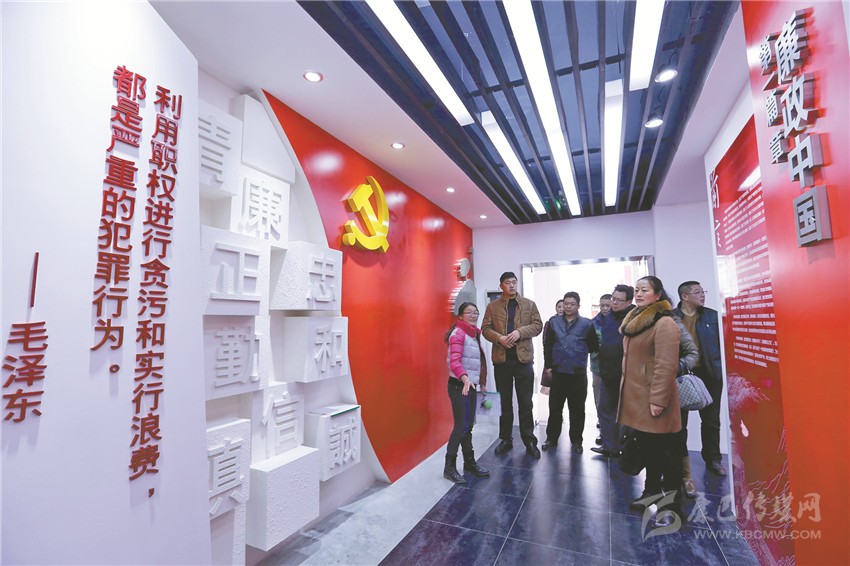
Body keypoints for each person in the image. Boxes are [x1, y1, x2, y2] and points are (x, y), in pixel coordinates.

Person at [618, 276, 682, 527]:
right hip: (639, 399)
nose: (639, 294)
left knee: (667, 455)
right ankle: (650, 494)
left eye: (644, 290)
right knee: (650, 452)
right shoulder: (638, 320)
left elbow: (666, 366)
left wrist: (658, 400)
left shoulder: (664, 323)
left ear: (658, 294)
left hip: (655, 400)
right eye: (636, 290)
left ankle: (673, 508)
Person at [482, 272, 543, 458]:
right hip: (502, 361)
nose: (512, 285)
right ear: (501, 286)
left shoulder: (529, 304)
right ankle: (505, 439)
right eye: (508, 283)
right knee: (504, 403)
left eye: (514, 282)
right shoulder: (492, 307)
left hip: (524, 360)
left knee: (526, 403)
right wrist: (499, 338)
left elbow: (538, 325)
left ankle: (529, 441)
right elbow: (485, 329)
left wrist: (520, 332)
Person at [674, 281, 727, 478]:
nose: (702, 295)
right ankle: (680, 462)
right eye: (697, 292)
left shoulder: (712, 316)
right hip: (681, 374)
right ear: (684, 297)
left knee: (711, 421)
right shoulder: (671, 317)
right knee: (679, 423)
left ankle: (713, 459)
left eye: (702, 291)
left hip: (709, 374)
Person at [541, 292, 599, 453]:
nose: (568, 306)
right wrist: (549, 366)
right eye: (566, 303)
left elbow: (594, 346)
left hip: (577, 374)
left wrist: (578, 351)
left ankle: (577, 442)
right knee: (555, 409)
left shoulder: (586, 324)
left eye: (572, 304)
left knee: (577, 410)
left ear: (578, 306)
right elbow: (547, 345)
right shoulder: (554, 322)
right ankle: (551, 439)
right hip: (558, 373)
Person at [444, 302, 490, 484]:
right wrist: (464, 378)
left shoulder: (475, 333)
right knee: (460, 427)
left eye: (475, 312)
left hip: (470, 385)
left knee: (467, 427)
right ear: (460, 316)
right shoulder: (458, 334)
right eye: (469, 312)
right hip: (458, 386)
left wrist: (482, 383)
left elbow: (479, 362)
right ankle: (449, 467)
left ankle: (469, 462)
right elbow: (454, 362)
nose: (473, 315)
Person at [591, 285, 635, 457]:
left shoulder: (634, 318)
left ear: (629, 302)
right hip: (607, 372)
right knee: (605, 410)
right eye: (613, 299)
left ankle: (626, 448)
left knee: (626, 414)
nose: (614, 303)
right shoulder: (608, 317)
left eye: (619, 300)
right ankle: (610, 447)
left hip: (627, 375)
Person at [590, 294, 612, 444]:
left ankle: (616, 436)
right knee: (599, 400)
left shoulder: (620, 321)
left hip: (616, 367)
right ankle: (603, 433)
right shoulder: (593, 323)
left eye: (607, 305)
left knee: (614, 402)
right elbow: (590, 344)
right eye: (602, 305)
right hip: (597, 367)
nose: (604, 308)